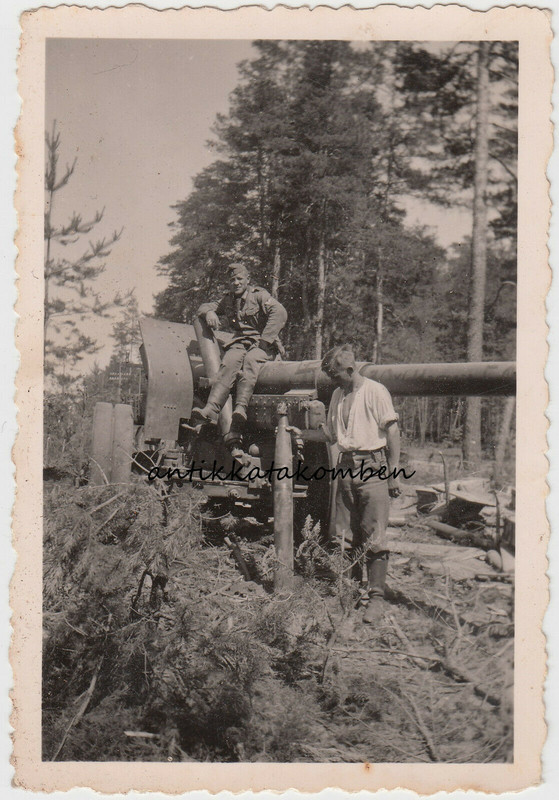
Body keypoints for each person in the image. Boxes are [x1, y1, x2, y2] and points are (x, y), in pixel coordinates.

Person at [320, 344, 401, 624]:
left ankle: (375, 599)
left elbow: (392, 430)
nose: (333, 380)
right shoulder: (337, 395)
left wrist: (393, 471)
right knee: (343, 534)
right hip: (345, 467)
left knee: (373, 534)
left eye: (336, 374)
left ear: (351, 370)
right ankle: (350, 592)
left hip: (373, 466)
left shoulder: (375, 391)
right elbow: (332, 435)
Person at [191, 262, 287, 430]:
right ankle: (211, 408)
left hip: (262, 345)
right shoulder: (228, 300)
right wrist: (209, 312)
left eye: (239, 279)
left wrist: (266, 340)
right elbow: (203, 307)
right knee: (228, 362)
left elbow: (279, 312)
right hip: (240, 344)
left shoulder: (259, 296)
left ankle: (241, 408)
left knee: (251, 360)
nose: (236, 283)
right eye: (232, 279)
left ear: (247, 280)